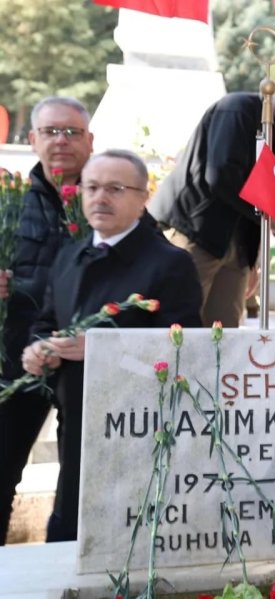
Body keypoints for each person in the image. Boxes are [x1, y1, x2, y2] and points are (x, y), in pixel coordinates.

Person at [22, 150, 202, 542]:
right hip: (76, 425)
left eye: (116, 189)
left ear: (143, 198)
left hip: (138, 433)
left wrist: (104, 350)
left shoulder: (170, 264)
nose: (100, 198)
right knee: (70, 532)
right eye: (92, 187)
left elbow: (185, 350)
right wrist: (38, 350)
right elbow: (46, 321)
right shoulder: (70, 255)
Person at [149, 62, 275, 327]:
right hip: (196, 232)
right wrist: (269, 214)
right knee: (177, 328)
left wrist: (251, 258)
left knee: (224, 336)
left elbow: (257, 189)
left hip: (235, 247)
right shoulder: (238, 109)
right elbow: (220, 176)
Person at [0, 96, 93, 545]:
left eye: (72, 132)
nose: (62, 141)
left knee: (81, 486)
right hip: (17, 361)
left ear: (90, 141)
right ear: (32, 139)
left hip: (86, 367)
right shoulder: (9, 202)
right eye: (52, 131)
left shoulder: (110, 196)